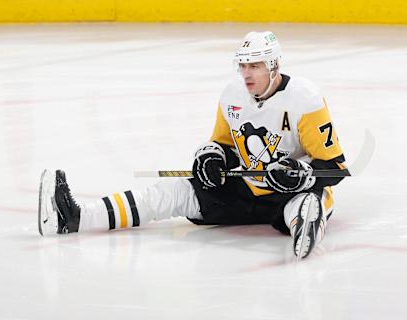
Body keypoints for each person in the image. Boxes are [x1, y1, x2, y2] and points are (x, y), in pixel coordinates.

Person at [38, 31, 346, 260]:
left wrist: (300, 172)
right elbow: (223, 145)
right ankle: (76, 217)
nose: (247, 74)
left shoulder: (306, 100)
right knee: (171, 191)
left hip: (286, 194)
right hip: (244, 192)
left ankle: (305, 221)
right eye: (243, 66)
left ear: (274, 65)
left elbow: (336, 167)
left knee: (305, 200)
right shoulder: (232, 96)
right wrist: (211, 158)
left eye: (255, 66)